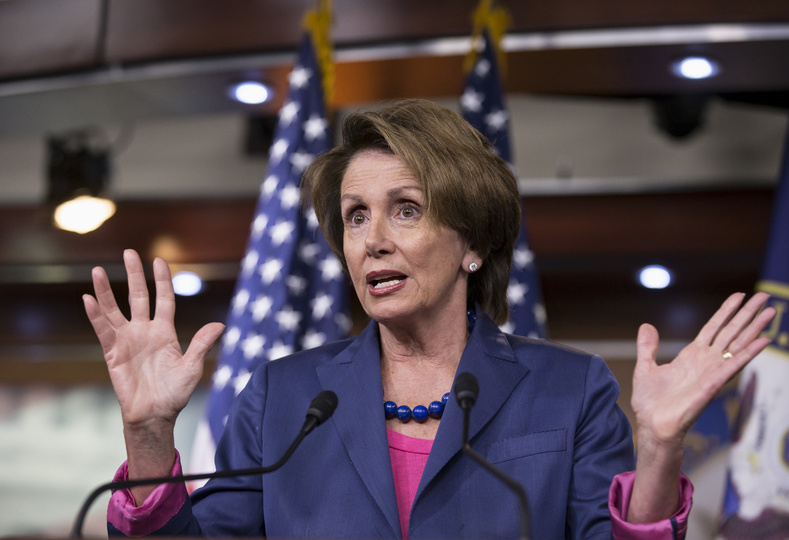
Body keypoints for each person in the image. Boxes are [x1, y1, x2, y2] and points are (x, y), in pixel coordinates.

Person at [83, 99, 776, 539]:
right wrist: (148, 436)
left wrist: (658, 450)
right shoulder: (282, 399)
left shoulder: (570, 391)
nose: (372, 238)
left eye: (405, 209)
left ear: (471, 243)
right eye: (355, 216)